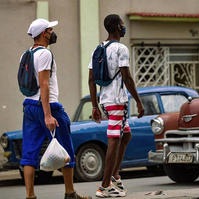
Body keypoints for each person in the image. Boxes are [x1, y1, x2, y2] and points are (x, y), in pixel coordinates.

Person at [20, 18, 92, 199]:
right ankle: (70, 193)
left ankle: (30, 195)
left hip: (29, 106)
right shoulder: (45, 54)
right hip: (48, 106)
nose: (53, 33)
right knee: (66, 149)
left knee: (29, 152)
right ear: (44, 33)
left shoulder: (25, 54)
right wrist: (48, 115)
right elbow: (44, 84)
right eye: (50, 30)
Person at [88, 14, 144, 198]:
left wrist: (95, 106)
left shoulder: (97, 49)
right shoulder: (121, 49)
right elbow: (126, 77)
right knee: (114, 139)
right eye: (122, 24)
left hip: (105, 101)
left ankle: (115, 176)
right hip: (118, 100)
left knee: (125, 135)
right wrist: (138, 100)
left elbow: (91, 80)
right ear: (117, 27)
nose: (123, 27)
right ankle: (105, 186)